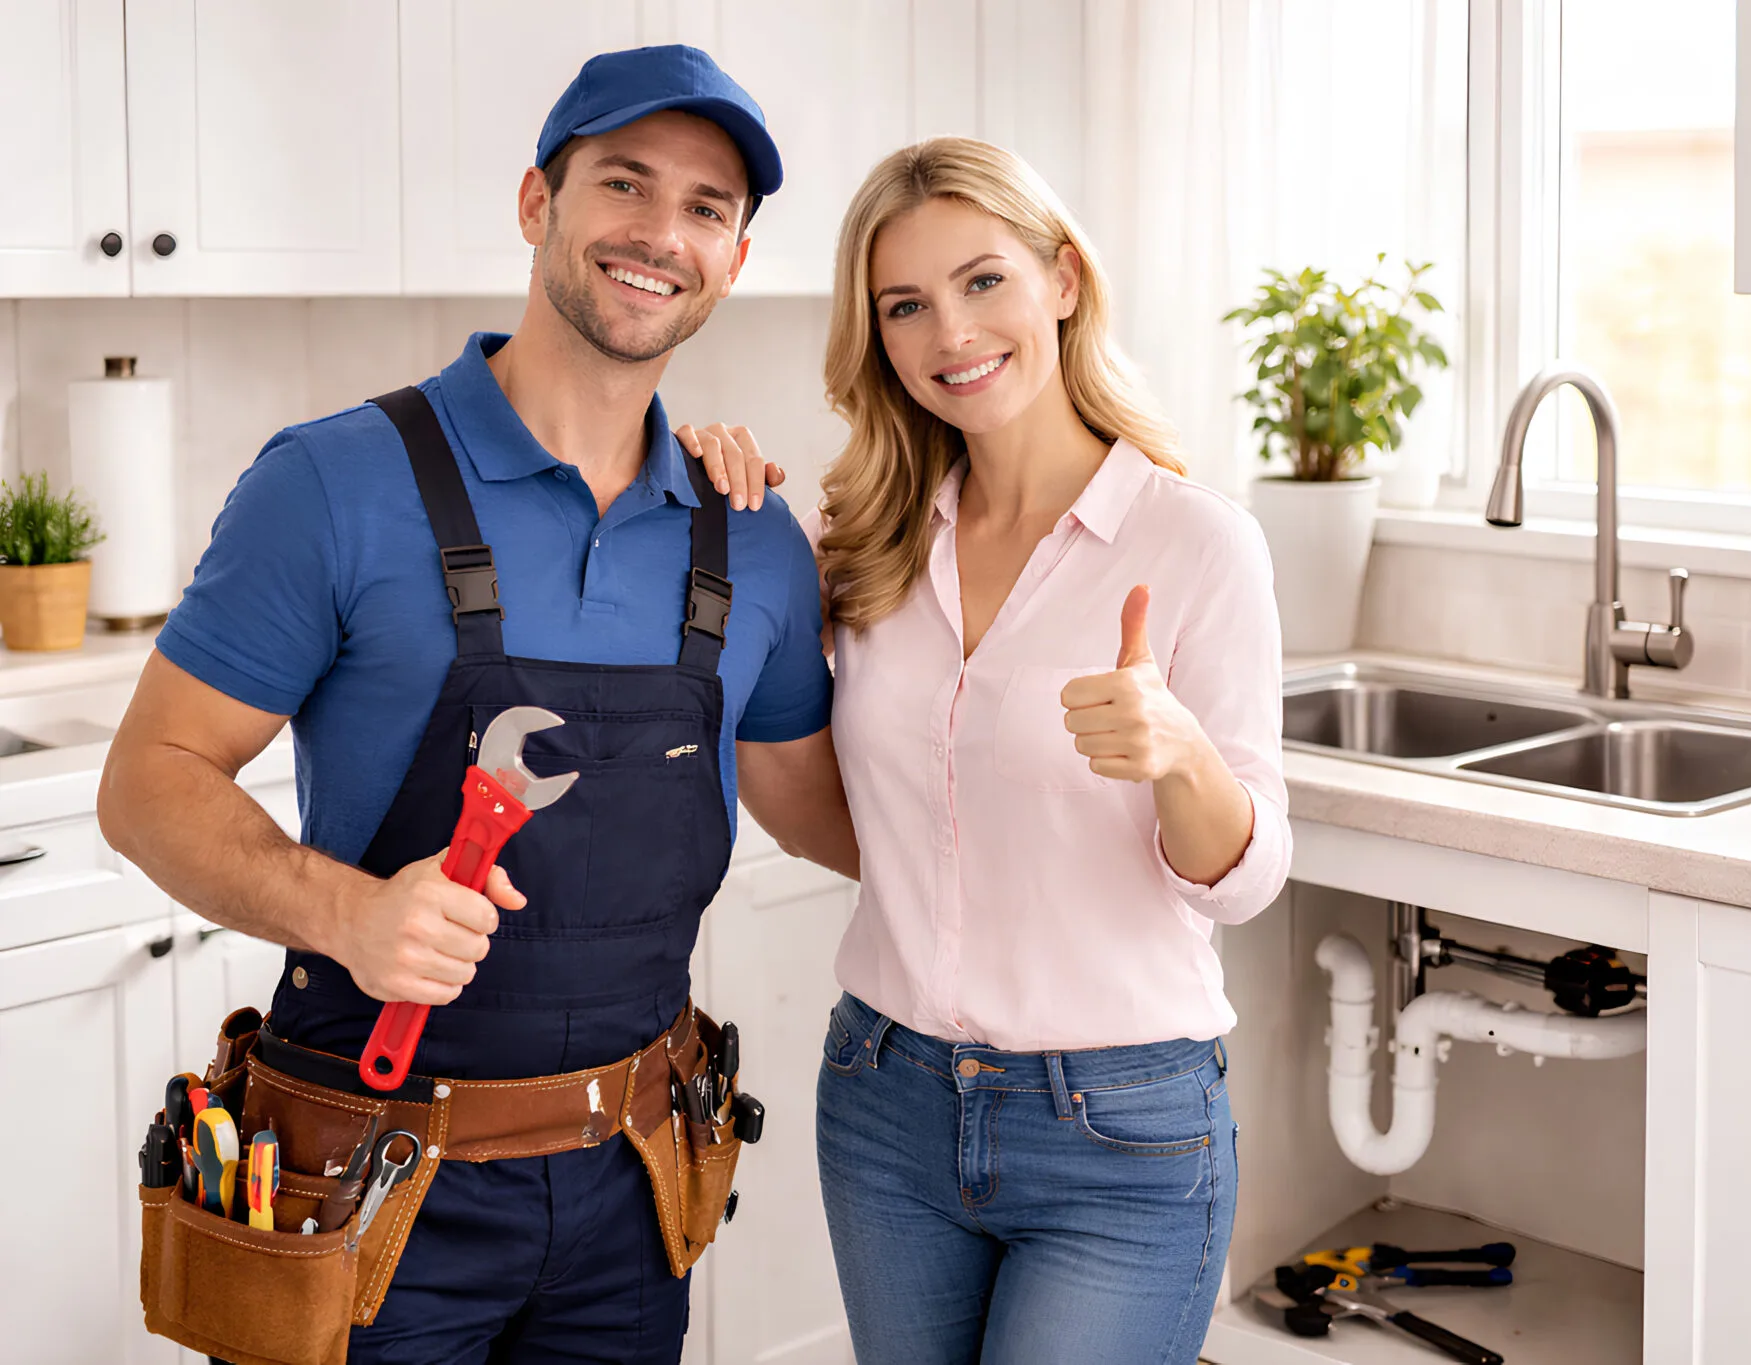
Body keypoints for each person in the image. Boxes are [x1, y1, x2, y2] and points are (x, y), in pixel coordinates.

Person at [98, 45, 852, 1363]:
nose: (660, 233)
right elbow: (147, 779)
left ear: (733, 260)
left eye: (707, 208)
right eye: (624, 182)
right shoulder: (332, 483)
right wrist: (346, 910)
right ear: (535, 203)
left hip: (634, 1186)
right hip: (367, 1190)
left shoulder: (753, 542)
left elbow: (839, 819)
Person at [687, 136, 1290, 1364]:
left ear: (1062, 278)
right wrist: (708, 520)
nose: (947, 333)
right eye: (903, 306)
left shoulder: (1194, 546)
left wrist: (1178, 755)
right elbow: (849, 822)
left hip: (1117, 1126)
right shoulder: (864, 542)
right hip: (886, 1102)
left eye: (981, 282)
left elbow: (1247, 873)